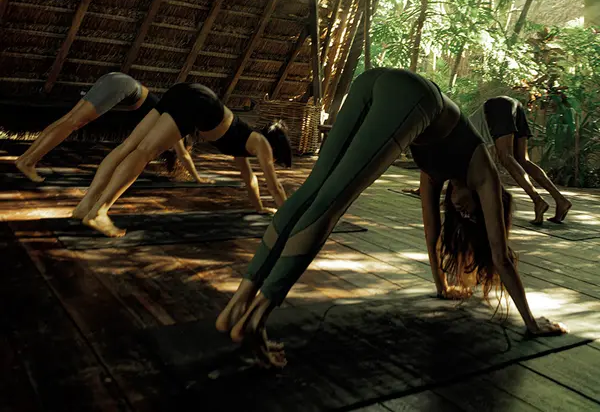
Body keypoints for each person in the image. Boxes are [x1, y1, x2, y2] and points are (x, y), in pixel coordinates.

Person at [215, 68, 568, 367]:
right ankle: (256, 319)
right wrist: (531, 323)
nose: (461, 211)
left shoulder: (434, 176)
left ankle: (237, 306)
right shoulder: (485, 176)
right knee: (330, 203)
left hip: (374, 81)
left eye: (461, 216)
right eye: (469, 212)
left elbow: (432, 235)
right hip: (414, 96)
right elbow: (500, 255)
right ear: (485, 202)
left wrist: (442, 287)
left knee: (314, 191)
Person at [72, 83, 292, 238]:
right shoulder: (261, 143)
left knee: (129, 146)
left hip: (186, 92)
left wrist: (260, 208)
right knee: (145, 151)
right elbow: (274, 186)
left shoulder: (245, 141)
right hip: (198, 103)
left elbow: (249, 178)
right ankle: (99, 211)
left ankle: (85, 206)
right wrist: (288, 220)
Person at [15, 72, 160, 182]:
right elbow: (181, 153)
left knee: (68, 119)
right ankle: (29, 162)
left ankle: (24, 158)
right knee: (74, 123)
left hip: (116, 79)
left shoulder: (166, 113)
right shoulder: (173, 122)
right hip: (123, 87)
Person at [483, 96, 572, 224]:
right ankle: (560, 200)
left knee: (506, 157)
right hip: (514, 104)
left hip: (497, 106)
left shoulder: (465, 134)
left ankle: (537, 200)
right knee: (522, 159)